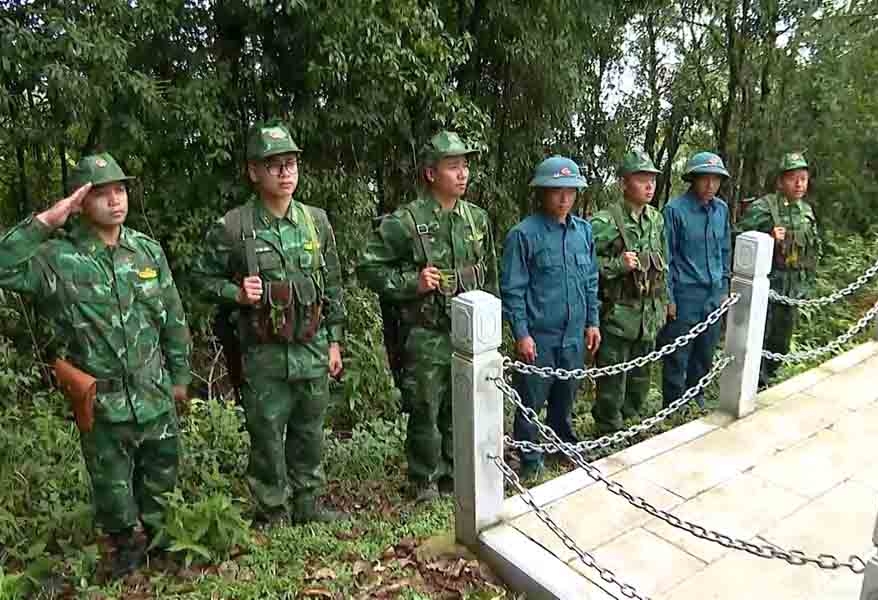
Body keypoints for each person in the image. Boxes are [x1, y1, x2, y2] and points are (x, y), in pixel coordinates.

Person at [0, 153, 191, 578]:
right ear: (80, 201)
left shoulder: (147, 251)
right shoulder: (57, 258)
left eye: (120, 190)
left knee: (161, 477)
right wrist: (47, 220)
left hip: (153, 391)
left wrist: (180, 376)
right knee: (112, 485)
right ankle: (126, 550)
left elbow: (173, 318)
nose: (114, 200)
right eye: (101, 193)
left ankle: (162, 547)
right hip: (102, 400)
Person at [192, 121, 346, 526]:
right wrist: (236, 293)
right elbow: (199, 279)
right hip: (263, 354)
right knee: (266, 435)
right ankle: (272, 510)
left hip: (311, 347)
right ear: (254, 171)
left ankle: (308, 504)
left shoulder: (316, 222)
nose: (285, 172)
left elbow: (332, 285)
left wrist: (334, 341)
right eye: (274, 165)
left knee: (309, 432)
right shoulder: (234, 227)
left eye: (290, 163)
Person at [358, 131, 497, 503]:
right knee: (426, 407)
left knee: (463, 404)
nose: (462, 173)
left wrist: (493, 325)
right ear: (431, 173)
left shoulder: (477, 219)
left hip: (468, 331)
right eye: (453, 166)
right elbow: (368, 268)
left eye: (465, 166)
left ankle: (455, 472)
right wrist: (412, 283)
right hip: (426, 332)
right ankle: (425, 480)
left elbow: (489, 277)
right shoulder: (405, 221)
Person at [501, 156, 600, 479]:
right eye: (557, 191)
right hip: (539, 336)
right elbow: (513, 289)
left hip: (573, 333)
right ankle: (530, 460)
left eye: (570, 191)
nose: (564, 198)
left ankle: (564, 446)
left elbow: (590, 281)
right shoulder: (523, 235)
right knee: (531, 400)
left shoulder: (583, 232)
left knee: (566, 394)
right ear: (543, 192)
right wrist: (521, 333)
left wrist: (593, 322)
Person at [589, 150, 670, 434]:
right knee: (612, 381)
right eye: (642, 179)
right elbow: (584, 265)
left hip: (648, 315)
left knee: (641, 377)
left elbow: (664, 263)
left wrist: (665, 303)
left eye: (652, 180)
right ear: (624, 183)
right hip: (617, 315)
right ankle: (608, 431)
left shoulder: (656, 220)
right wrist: (617, 265)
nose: (649, 186)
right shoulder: (604, 222)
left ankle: (633, 424)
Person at [737, 152, 821, 388]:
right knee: (759, 336)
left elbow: (813, 251)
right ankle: (754, 383)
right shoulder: (764, 207)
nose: (799, 184)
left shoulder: (806, 212)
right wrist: (768, 237)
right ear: (781, 181)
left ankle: (768, 379)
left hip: (792, 288)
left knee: (781, 341)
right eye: (793, 178)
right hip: (767, 285)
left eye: (803, 178)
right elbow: (739, 237)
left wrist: (807, 284)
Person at [659, 151, 732, 411]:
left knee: (705, 350)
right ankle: (673, 405)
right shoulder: (674, 210)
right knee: (678, 353)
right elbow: (666, 257)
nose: (711, 185)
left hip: (713, 293)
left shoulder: (721, 210)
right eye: (705, 178)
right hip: (685, 293)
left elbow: (725, 250)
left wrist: (724, 287)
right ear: (693, 179)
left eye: (716, 179)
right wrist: (669, 297)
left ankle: (697, 396)